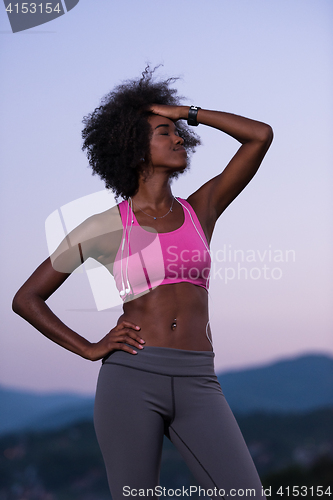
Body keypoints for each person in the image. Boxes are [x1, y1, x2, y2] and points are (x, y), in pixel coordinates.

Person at [12, 67, 273, 499]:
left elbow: (259, 136)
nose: (179, 138)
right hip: (130, 379)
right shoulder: (103, 227)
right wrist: (90, 348)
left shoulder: (200, 210)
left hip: (198, 380)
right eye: (164, 132)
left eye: (178, 132)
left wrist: (186, 112)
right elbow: (27, 298)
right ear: (135, 149)